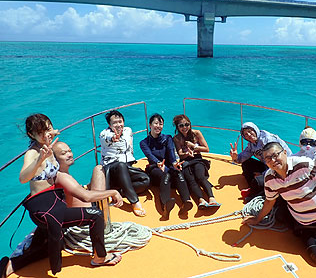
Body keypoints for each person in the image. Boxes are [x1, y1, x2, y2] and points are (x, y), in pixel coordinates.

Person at [16, 114, 121, 276]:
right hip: (43, 206)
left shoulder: (49, 144)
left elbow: (49, 136)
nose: (46, 135)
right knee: (96, 215)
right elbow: (23, 178)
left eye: (48, 128)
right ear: (31, 135)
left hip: (55, 201)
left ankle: (10, 265)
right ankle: (100, 257)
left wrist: (53, 133)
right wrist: (40, 159)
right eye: (40, 132)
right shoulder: (33, 153)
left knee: (43, 247)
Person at [140, 113, 193, 219]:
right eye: (155, 123)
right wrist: (158, 163)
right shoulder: (144, 143)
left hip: (168, 167)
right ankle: (165, 207)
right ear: (150, 124)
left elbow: (171, 153)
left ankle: (186, 202)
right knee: (166, 176)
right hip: (154, 169)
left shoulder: (167, 138)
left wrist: (174, 163)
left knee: (178, 173)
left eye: (161, 124)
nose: (158, 126)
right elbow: (150, 155)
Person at [99, 110, 150, 217]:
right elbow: (108, 138)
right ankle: (134, 201)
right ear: (109, 124)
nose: (118, 125)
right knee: (121, 165)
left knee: (146, 180)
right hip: (112, 168)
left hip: (127, 167)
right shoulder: (104, 134)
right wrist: (114, 137)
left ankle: (118, 192)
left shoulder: (128, 130)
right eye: (115, 123)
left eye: (120, 121)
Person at [229, 122, 292, 198]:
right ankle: (253, 186)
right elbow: (243, 157)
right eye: (246, 134)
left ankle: (256, 192)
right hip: (268, 165)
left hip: (282, 168)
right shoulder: (252, 144)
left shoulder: (267, 140)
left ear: (255, 130)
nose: (249, 135)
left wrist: (263, 174)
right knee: (246, 163)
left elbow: (275, 161)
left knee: (259, 181)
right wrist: (235, 157)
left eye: (250, 131)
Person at [173, 114, 221, 209]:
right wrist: (187, 153)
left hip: (198, 160)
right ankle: (201, 200)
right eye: (181, 126)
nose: (184, 127)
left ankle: (212, 198)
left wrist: (194, 147)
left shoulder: (197, 133)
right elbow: (180, 154)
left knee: (200, 176)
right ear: (177, 127)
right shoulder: (177, 138)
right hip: (185, 162)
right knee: (191, 180)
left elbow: (206, 149)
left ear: (190, 124)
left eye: (186, 124)